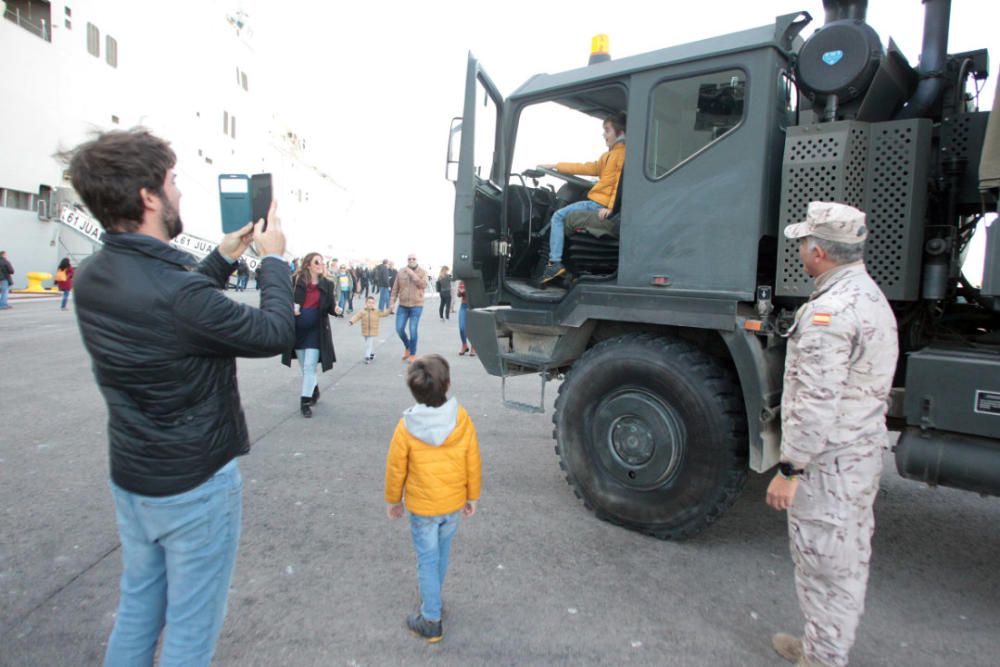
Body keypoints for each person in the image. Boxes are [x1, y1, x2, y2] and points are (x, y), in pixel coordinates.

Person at [61, 128, 293, 667]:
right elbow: (274, 332)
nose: (179, 192)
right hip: (193, 486)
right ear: (148, 197)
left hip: (134, 477)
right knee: (191, 631)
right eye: (172, 182)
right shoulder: (177, 293)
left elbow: (171, 309)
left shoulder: (93, 276)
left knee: (139, 609)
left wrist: (222, 258)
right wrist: (274, 261)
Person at [766, 202, 898, 667]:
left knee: (822, 563)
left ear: (818, 252)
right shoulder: (869, 296)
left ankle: (822, 659)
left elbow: (815, 403)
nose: (802, 249)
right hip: (858, 455)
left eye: (804, 242)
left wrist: (790, 469)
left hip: (829, 463)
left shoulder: (830, 313)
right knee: (846, 559)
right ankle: (823, 647)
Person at [384, 354, 481, 643]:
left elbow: (396, 467)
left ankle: (431, 618)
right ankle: (434, 599)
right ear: (447, 384)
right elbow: (472, 460)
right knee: (442, 554)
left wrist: (394, 500)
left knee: (427, 559)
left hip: (423, 508)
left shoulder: (407, 426)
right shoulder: (461, 419)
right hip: (452, 504)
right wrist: (472, 496)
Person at [539, 112, 626, 284]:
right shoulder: (608, 155)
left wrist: (611, 207)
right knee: (563, 217)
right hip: (597, 202)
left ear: (620, 132)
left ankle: (554, 263)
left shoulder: (621, 154)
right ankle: (564, 268)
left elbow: (619, 182)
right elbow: (588, 167)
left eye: (607, 130)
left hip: (598, 204)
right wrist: (556, 166)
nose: (604, 134)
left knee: (558, 216)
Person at [282, 252, 342, 418]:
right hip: (298, 331)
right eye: (317, 262)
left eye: (322, 262)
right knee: (304, 367)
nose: (320, 265)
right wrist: (290, 309)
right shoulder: (296, 281)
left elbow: (330, 306)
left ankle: (305, 402)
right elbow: (285, 300)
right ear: (308, 265)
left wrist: (336, 310)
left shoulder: (327, 284)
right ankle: (313, 388)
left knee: (310, 366)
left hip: (317, 331)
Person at [389, 254, 428, 362]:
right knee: (399, 329)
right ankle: (408, 346)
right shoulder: (401, 272)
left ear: (417, 260)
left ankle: (413, 354)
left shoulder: (422, 272)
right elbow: (395, 289)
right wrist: (392, 302)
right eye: (409, 259)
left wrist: (412, 274)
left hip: (417, 305)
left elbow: (423, 285)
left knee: (413, 329)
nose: (411, 260)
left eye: (413, 259)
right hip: (403, 305)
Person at [350, 294, 393, 363]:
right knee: (368, 343)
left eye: (372, 303)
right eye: (369, 302)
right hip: (365, 330)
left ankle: (367, 357)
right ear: (366, 303)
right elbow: (356, 316)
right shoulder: (362, 311)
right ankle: (372, 353)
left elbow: (384, 314)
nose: (371, 304)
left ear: (374, 304)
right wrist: (351, 321)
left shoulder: (376, 311)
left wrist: (390, 309)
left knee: (368, 344)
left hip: (373, 331)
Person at [456, 281, 475, 357]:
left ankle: (474, 346)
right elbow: (458, 295)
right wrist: (460, 292)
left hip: (475, 306)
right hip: (464, 306)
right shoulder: (462, 281)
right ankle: (464, 345)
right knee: (462, 328)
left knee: (473, 328)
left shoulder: (476, 280)